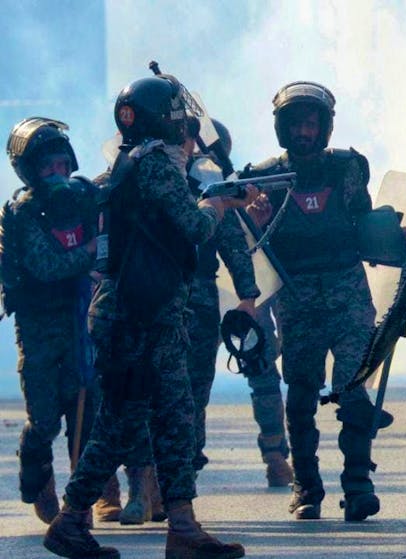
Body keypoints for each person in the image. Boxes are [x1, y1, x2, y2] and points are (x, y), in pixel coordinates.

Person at [42, 74, 253, 559]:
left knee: (165, 418)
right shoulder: (156, 162)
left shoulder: (131, 160)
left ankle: (178, 525)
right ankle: (80, 520)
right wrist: (219, 202)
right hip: (141, 315)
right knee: (134, 419)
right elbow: (196, 226)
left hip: (142, 311)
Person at [243, 81, 392, 521]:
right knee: (302, 393)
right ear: (282, 129)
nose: (304, 133)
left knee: (352, 390)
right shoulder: (263, 179)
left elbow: (364, 224)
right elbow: (251, 250)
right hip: (298, 298)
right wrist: (259, 223)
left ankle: (359, 485)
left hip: (348, 293)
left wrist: (397, 239)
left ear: (324, 128)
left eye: (311, 124)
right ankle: (306, 487)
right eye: (296, 125)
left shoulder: (348, 169)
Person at [2, 118, 106, 524]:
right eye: (48, 168)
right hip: (40, 328)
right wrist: (89, 255)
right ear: (30, 172)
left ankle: (80, 501)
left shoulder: (84, 200)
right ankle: (38, 481)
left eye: (63, 165)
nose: (58, 175)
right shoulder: (24, 212)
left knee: (85, 407)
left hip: (81, 323)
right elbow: (45, 266)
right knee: (44, 419)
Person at [184, 117, 292, 487]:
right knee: (187, 384)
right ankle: (178, 468)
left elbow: (252, 246)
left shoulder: (234, 187)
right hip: (193, 295)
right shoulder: (172, 188)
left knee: (262, 370)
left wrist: (254, 218)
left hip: (239, 292)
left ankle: (276, 456)